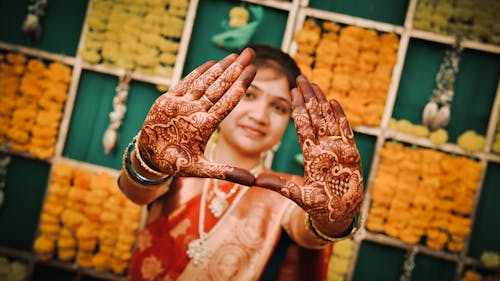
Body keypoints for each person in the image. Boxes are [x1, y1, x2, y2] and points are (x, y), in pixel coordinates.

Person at [117, 45, 364, 281]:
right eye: (249, 94)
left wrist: (335, 222)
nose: (259, 116)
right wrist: (148, 162)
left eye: (278, 107)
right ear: (221, 96)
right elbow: (136, 192)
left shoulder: (289, 192)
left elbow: (308, 233)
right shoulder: (175, 162)